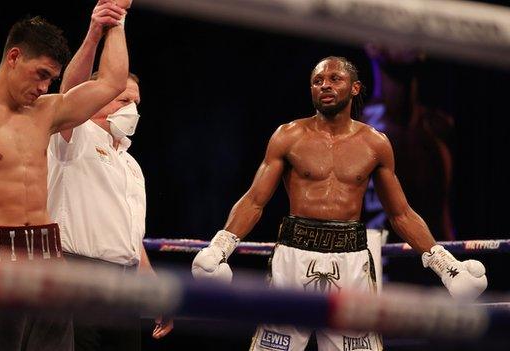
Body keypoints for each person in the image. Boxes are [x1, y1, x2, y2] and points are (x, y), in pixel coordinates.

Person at [191, 56, 487, 351]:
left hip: (351, 259)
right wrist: (219, 248)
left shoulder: (375, 143)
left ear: (355, 87)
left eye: (335, 79)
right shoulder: (288, 136)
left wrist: (447, 267)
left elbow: (401, 214)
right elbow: (255, 200)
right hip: (293, 256)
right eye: (317, 81)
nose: (325, 86)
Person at [0, 1, 131, 349]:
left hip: (48, 255)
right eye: (41, 75)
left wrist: (114, 21)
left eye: (51, 79)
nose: (44, 87)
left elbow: (112, 82)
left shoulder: (46, 112)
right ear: (14, 57)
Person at [47, 1, 173, 349]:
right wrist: (99, 31)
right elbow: (68, 96)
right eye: (121, 100)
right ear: (96, 98)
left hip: (124, 283)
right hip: (76, 275)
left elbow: (133, 238)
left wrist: (152, 289)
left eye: (136, 103)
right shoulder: (75, 135)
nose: (131, 109)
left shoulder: (132, 166)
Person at [360, 44, 455, 241]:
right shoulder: (353, 130)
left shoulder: (438, 125)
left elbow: (441, 216)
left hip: (431, 263)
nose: (410, 38)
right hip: (374, 265)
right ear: (373, 45)